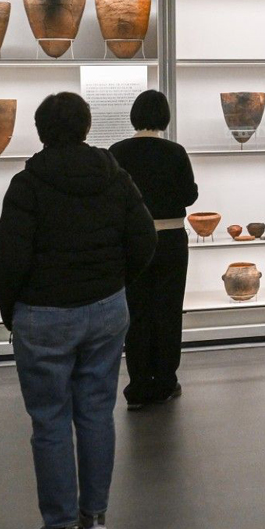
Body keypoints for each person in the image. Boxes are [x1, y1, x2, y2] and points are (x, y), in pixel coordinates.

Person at [0, 92, 156, 529]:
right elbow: (144, 239)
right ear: (86, 127)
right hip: (105, 309)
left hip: (44, 315)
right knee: (96, 412)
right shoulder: (114, 176)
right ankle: (94, 516)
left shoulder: (28, 183)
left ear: (41, 130)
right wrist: (116, 282)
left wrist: (12, 311)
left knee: (50, 419)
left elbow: (9, 260)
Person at [109, 90, 198, 409]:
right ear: (164, 117)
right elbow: (189, 196)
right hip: (172, 238)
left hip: (133, 241)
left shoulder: (116, 151)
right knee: (169, 311)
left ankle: (138, 383)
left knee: (136, 312)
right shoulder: (175, 152)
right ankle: (166, 380)